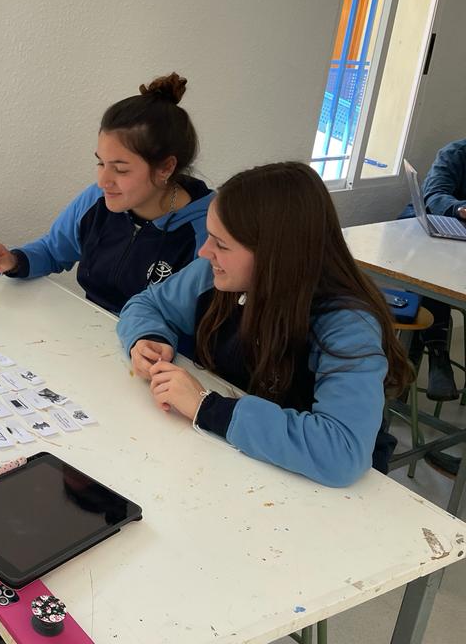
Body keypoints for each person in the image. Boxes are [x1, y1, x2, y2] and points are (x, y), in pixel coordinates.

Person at [118, 162, 412, 487]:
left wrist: (207, 407)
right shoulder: (216, 275)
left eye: (221, 244)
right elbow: (147, 304)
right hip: (232, 460)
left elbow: (342, 450)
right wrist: (147, 337)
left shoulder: (347, 324)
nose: (204, 251)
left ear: (275, 254)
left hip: (314, 488)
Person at [0, 73, 212, 317]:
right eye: (101, 163)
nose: (103, 181)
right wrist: (14, 261)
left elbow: (196, 321)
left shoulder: (208, 232)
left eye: (120, 169)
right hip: (91, 331)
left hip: (153, 340)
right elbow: (53, 251)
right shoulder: (97, 200)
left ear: (166, 168)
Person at [398, 139, 466, 402]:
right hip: (427, 227)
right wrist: (460, 209)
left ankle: (412, 352)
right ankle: (437, 352)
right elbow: (435, 194)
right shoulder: (455, 153)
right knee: (432, 267)